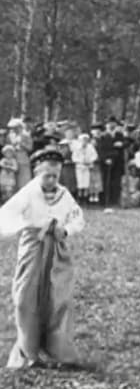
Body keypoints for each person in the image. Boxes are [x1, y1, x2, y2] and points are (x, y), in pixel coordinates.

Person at [0, 147, 85, 369]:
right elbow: (7, 216)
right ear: (37, 173)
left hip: (56, 249)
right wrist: (26, 227)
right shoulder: (28, 193)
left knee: (58, 297)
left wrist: (65, 230)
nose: (51, 180)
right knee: (25, 297)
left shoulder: (64, 195)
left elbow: (78, 219)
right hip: (33, 247)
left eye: (55, 175)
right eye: (46, 175)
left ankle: (59, 351)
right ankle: (28, 351)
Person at [72, 134, 98, 203]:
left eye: (86, 140)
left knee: (86, 183)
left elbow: (95, 155)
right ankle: (79, 199)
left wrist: (90, 160)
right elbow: (74, 158)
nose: (84, 142)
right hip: (79, 167)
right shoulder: (77, 148)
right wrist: (81, 161)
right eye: (83, 140)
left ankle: (85, 200)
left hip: (87, 167)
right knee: (80, 183)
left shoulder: (90, 147)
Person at [7, 118, 32, 189]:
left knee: (24, 182)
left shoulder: (26, 135)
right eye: (13, 128)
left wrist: (22, 144)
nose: (14, 130)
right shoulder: (10, 136)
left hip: (23, 159)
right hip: (12, 160)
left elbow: (30, 148)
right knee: (13, 183)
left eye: (16, 127)